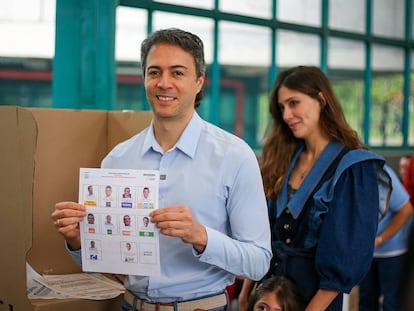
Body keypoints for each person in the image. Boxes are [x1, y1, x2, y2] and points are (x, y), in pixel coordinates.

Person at [51, 28, 271, 310]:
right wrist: (79, 241)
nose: (164, 83)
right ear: (144, 79)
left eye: (177, 73)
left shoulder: (235, 156)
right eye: (154, 72)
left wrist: (201, 236)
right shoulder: (117, 160)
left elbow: (258, 262)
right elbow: (104, 260)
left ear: (199, 81)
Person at [239, 65, 390, 311]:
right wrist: (247, 292)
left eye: (294, 103)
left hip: (315, 300)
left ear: (321, 100)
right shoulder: (282, 161)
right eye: (282, 107)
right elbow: (263, 234)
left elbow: (347, 254)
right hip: (266, 296)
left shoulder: (352, 167)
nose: (287, 115)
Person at [358, 164, 413, 311]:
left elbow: (406, 210)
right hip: (365, 252)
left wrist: (380, 239)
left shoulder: (379, 173)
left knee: (391, 302)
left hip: (392, 251)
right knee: (366, 300)